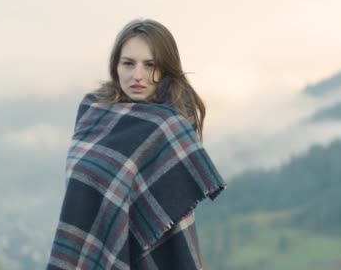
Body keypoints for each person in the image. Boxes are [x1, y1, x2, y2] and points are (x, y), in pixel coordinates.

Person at [47, 19, 226, 270]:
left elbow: (175, 222)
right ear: (115, 66)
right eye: (128, 63)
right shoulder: (92, 111)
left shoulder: (169, 128)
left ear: (165, 68)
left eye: (150, 65)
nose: (137, 75)